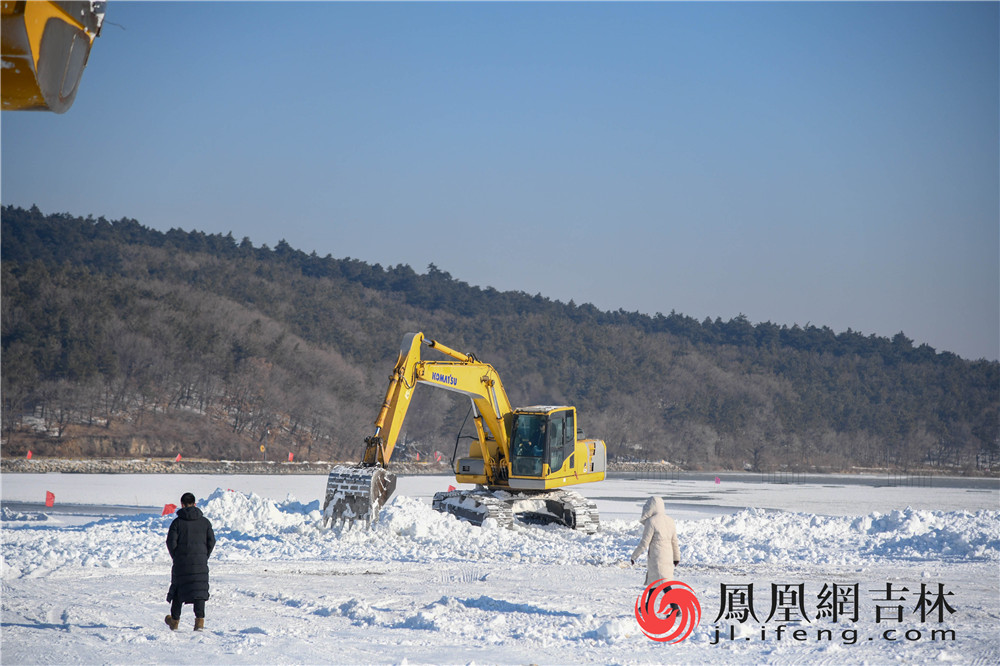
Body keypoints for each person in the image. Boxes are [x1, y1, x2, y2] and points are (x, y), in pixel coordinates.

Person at [165, 492, 216, 631]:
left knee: (178, 590)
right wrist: (204, 556)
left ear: (182, 504)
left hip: (182, 562)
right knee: (199, 590)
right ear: (195, 504)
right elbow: (211, 541)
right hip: (200, 562)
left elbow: (170, 542)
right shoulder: (205, 522)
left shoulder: (177, 522)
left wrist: (176, 556)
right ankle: (199, 622)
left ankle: (174, 621)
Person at [630, 495, 680, 614]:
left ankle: (675, 607)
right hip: (667, 556)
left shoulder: (651, 521)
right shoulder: (670, 520)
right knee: (655, 582)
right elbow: (674, 541)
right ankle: (648, 606)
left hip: (657, 557)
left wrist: (634, 556)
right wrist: (676, 557)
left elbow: (644, 542)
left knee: (663, 583)